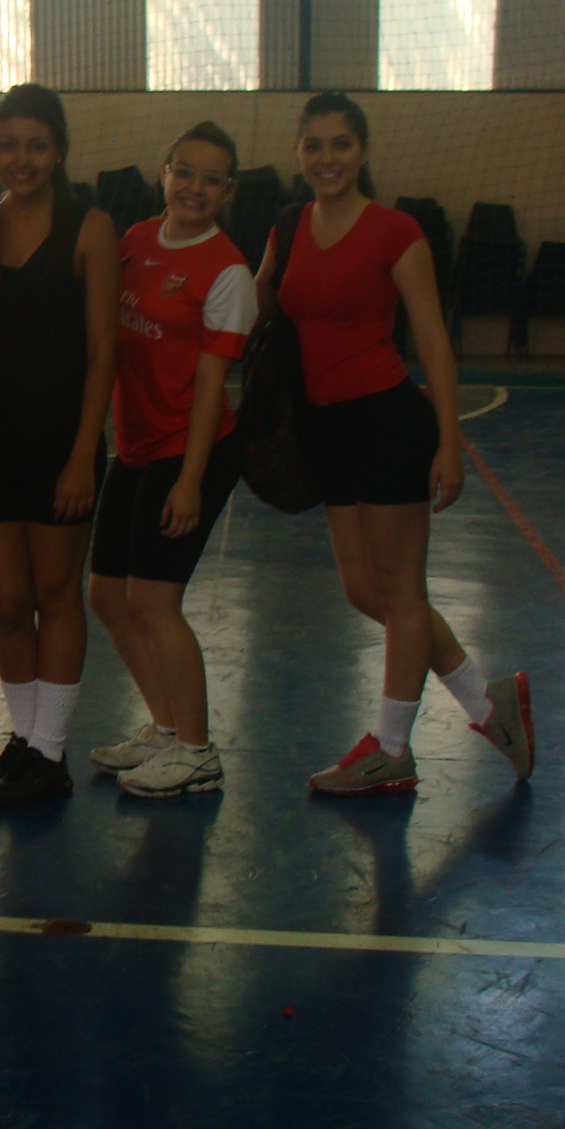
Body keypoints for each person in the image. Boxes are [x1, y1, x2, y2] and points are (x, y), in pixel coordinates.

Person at [257, 92, 533, 794]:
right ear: (298, 153)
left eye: (340, 144)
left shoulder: (396, 232)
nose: (326, 158)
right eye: (313, 145)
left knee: (403, 593)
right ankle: (487, 705)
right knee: (364, 591)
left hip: (387, 421)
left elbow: (433, 338)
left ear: (363, 152)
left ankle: (392, 749)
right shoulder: (287, 228)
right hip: (325, 430)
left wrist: (450, 441)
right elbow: (255, 303)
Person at [86, 122, 255, 797]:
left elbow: (213, 384)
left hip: (192, 449)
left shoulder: (228, 271)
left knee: (154, 603)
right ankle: (164, 726)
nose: (194, 188)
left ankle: (197, 750)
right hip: (136, 445)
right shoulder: (133, 242)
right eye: (184, 172)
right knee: (107, 596)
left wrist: (189, 481)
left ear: (228, 190)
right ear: (164, 172)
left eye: (211, 180)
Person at [0, 84, 118, 808]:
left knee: (56, 597)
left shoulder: (90, 228)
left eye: (36, 145)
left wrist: (84, 454)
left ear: (58, 151)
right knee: (6, 603)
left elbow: (104, 351)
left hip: (62, 442)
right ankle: (26, 738)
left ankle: (50, 752)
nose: (20, 159)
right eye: (7, 144)